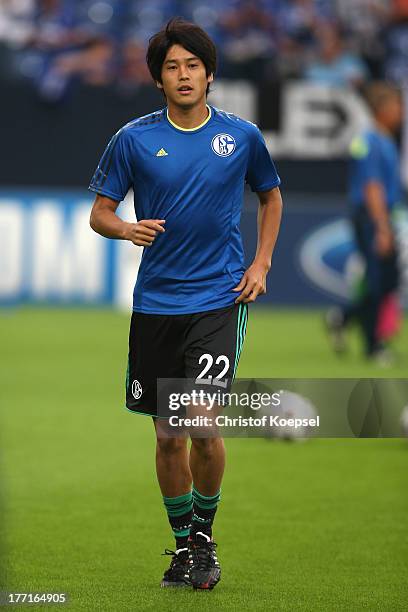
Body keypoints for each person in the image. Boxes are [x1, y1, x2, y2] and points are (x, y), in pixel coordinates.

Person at [89, 17, 282, 590]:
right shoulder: (133, 139)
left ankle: (204, 538)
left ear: (209, 73)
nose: (183, 75)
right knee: (167, 435)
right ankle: (181, 547)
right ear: (159, 80)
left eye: (192, 65)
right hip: (156, 303)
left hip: (218, 299)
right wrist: (126, 230)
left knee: (200, 422)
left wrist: (262, 263)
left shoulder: (241, 136)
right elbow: (99, 213)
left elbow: (270, 197)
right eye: (171, 67)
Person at [326, 82, 403, 363]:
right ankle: (373, 346)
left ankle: (345, 316)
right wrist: (382, 227)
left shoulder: (382, 140)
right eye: (397, 106)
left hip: (381, 216)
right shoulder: (369, 141)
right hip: (371, 217)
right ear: (382, 109)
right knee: (375, 280)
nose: (401, 112)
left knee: (387, 281)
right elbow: (372, 187)